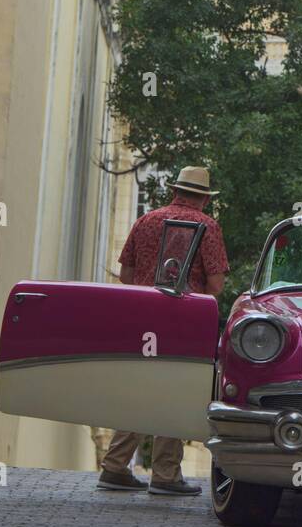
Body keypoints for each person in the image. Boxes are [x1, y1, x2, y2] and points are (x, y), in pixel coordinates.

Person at [97, 166, 229, 497]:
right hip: (182, 321)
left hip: (142, 317)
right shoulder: (207, 226)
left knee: (138, 388)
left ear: (175, 191)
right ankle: (165, 474)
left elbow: (125, 274)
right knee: (174, 389)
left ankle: (114, 467)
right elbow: (215, 284)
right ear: (203, 199)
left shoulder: (146, 221)